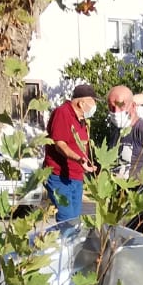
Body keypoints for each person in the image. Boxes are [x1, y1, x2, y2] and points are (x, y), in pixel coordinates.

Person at [44, 84, 97, 222]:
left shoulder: (82, 121)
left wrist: (86, 163)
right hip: (59, 176)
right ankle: (63, 242)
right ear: (81, 103)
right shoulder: (62, 113)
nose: (95, 106)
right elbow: (59, 144)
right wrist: (78, 159)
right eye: (93, 102)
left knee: (74, 220)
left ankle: (67, 242)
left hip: (76, 177)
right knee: (66, 219)